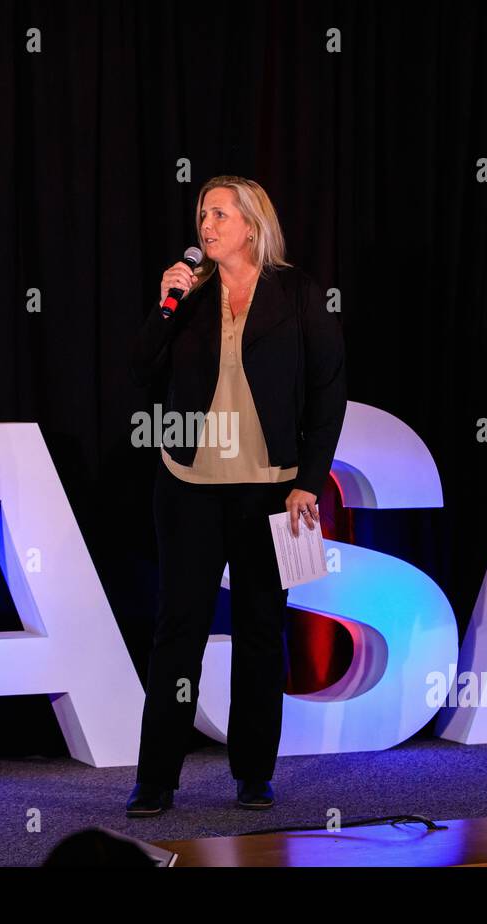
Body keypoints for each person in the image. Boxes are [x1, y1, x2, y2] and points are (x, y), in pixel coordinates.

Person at [126, 175, 347, 816]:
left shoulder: (298, 294)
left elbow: (328, 390)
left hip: (270, 492)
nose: (206, 225)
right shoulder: (188, 295)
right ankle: (156, 779)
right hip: (190, 488)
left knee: (259, 632)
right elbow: (140, 369)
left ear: (251, 224)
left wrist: (309, 478)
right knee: (179, 631)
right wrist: (165, 302)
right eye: (202, 214)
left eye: (219, 214)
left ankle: (254, 773)